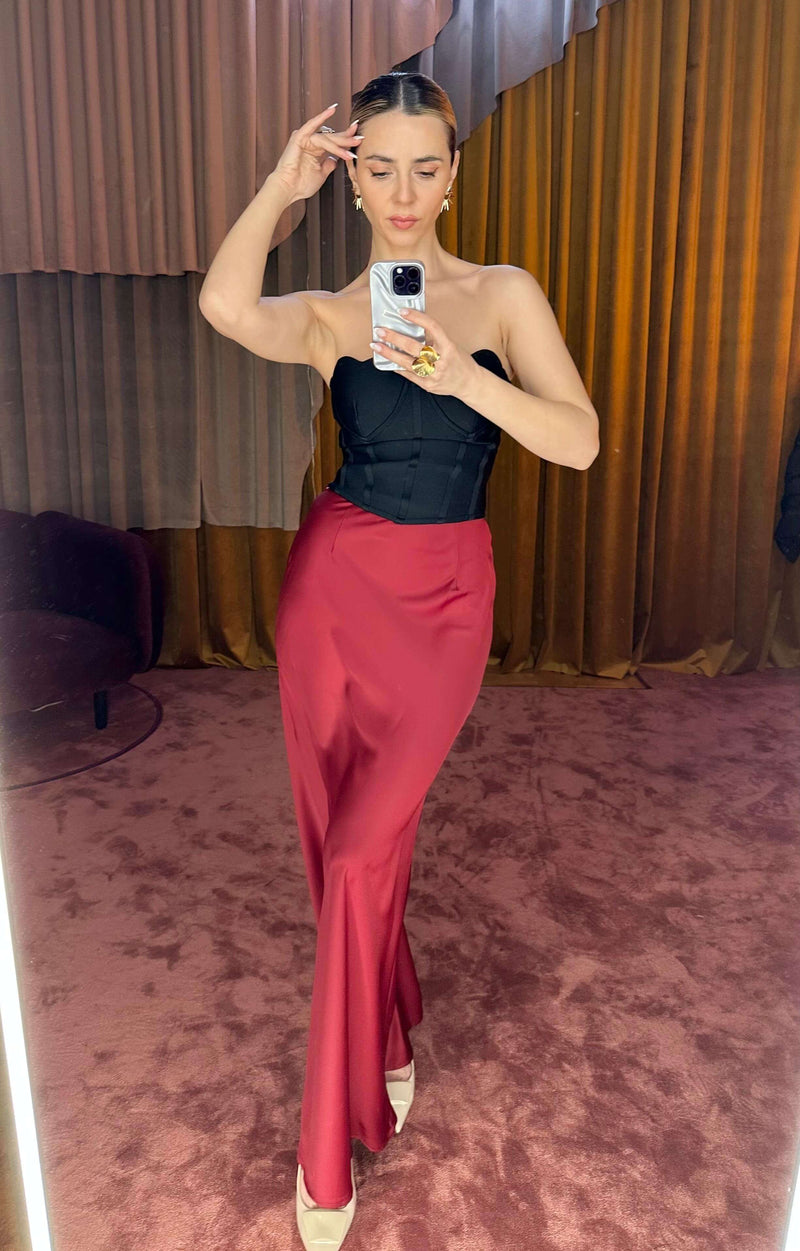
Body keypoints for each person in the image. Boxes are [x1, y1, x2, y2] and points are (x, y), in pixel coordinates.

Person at [198, 70, 599, 1251]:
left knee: (366, 848)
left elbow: (577, 441)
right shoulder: (331, 314)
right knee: (341, 849)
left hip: (445, 603)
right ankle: (378, 1035)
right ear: (354, 180)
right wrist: (279, 188)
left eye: (425, 166)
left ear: (453, 174)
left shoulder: (501, 294)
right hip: (333, 595)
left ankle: (329, 1149)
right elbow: (225, 306)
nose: (404, 191)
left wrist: (461, 374)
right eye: (379, 168)